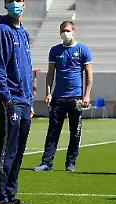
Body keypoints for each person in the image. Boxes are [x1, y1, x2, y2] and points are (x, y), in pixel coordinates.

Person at [0, 0, 34, 204]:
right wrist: (6, 98)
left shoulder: (23, 33)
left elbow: (26, 69)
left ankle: (11, 193)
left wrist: (30, 100)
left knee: (19, 150)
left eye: (18, 0)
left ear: (24, 4)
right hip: (11, 99)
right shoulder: (1, 31)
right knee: (7, 148)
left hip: (25, 100)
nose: (15, 3)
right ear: (5, 4)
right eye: (11, 0)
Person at [34, 20, 93, 173]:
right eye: (62, 31)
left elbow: (89, 75)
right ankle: (47, 162)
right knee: (53, 131)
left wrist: (87, 95)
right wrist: (48, 92)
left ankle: (70, 163)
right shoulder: (55, 50)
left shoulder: (83, 50)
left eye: (67, 30)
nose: (65, 33)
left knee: (75, 132)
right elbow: (50, 74)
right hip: (58, 97)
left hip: (76, 97)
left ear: (74, 31)